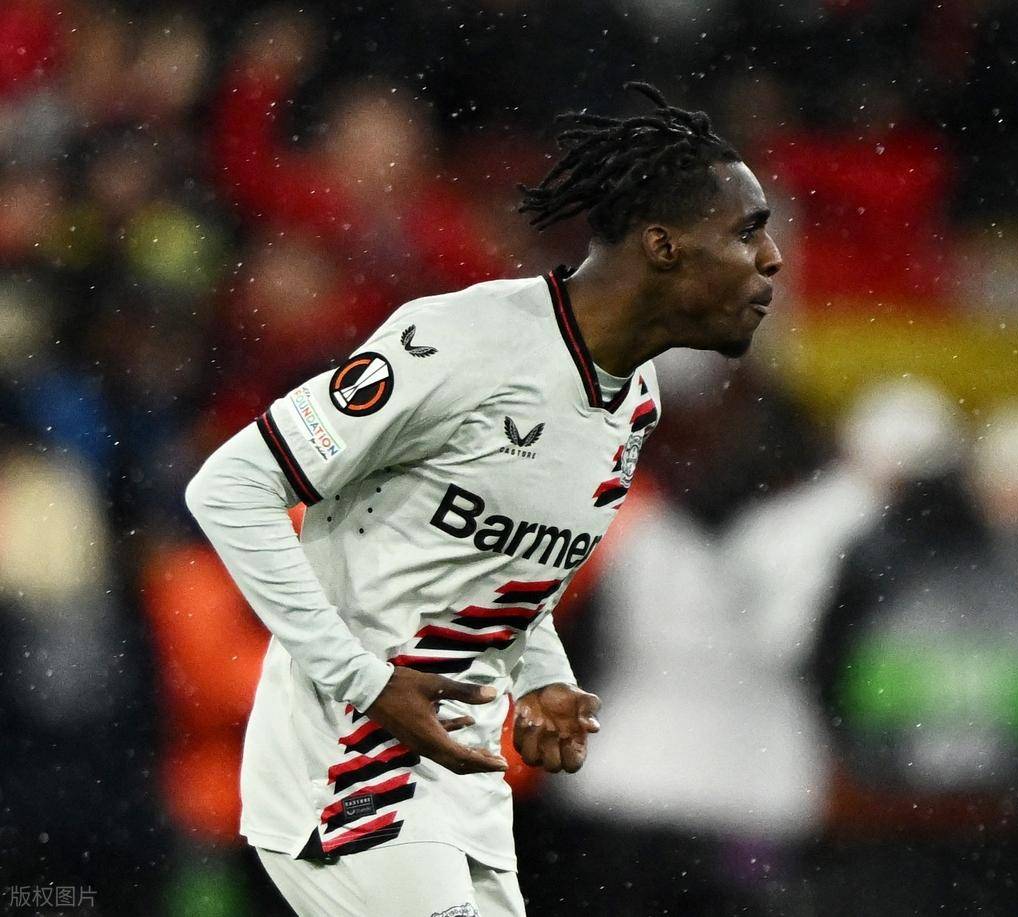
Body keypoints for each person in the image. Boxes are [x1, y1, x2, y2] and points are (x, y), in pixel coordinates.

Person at [184, 81, 782, 917]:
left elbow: (501, 577)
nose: (772, 258)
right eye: (748, 231)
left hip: (462, 791)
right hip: (344, 776)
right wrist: (363, 680)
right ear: (663, 245)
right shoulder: (463, 342)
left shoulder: (634, 399)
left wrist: (543, 678)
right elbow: (228, 486)